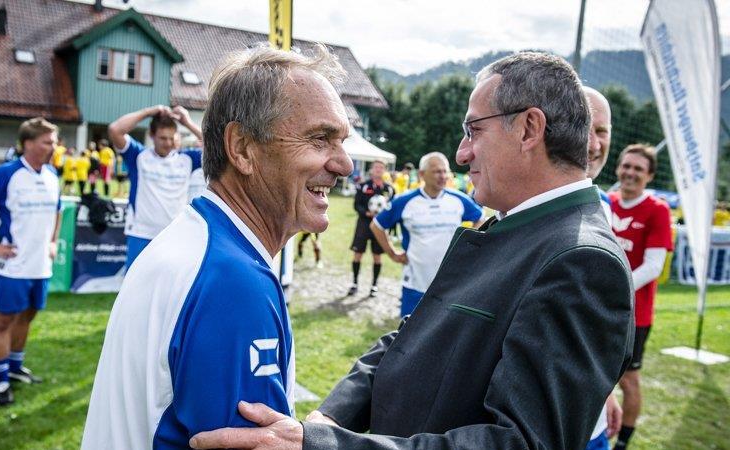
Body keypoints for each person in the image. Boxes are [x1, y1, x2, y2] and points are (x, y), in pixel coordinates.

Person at [189, 51, 634, 450]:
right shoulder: (515, 225)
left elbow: (522, 442)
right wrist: (333, 413)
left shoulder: (581, 260)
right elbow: (415, 337)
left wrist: (326, 445)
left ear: (529, 128)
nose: (461, 154)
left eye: (473, 130)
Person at [82, 43, 352, 449]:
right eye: (320, 139)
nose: (344, 164)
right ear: (242, 148)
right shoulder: (232, 281)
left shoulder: (196, 243)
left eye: (341, 141)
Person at [0, 118, 62, 406]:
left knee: (29, 314)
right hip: (14, 264)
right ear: (29, 143)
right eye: (48, 141)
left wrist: (54, 241)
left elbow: (58, 210)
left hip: (40, 264)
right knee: (4, 320)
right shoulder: (6, 173)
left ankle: (15, 367)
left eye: (54, 141)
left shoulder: (52, 174)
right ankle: (0, 381)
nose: (54, 146)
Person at [609, 144, 673, 450]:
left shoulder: (657, 210)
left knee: (628, 380)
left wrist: (612, 289)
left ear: (649, 175)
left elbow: (654, 267)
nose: (630, 173)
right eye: (626, 166)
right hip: (601, 308)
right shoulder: (606, 203)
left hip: (635, 315)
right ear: (618, 168)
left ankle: (623, 443)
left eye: (638, 168)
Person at [370, 151, 484, 317]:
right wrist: (392, 253)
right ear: (422, 174)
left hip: (451, 283)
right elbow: (377, 225)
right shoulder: (405, 201)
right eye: (437, 171)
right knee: (408, 334)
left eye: (445, 171)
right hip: (416, 283)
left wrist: (470, 245)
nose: (443, 175)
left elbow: (480, 217)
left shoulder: (458, 199)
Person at [106, 104, 203, 268]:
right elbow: (115, 129)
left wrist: (188, 122)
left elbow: (219, 149)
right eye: (163, 138)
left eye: (172, 138)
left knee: (172, 291)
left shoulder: (187, 159)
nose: (168, 143)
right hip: (141, 234)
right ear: (152, 135)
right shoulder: (139, 156)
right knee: (136, 292)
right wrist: (148, 112)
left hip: (175, 236)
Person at [583, 86, 623, 450]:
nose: (595, 144)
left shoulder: (604, 206)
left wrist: (606, 389)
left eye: (603, 131)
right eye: (585, 128)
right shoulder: (517, 210)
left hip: (592, 415)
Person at [348, 160, 394, 297]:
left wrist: (384, 216)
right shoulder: (363, 186)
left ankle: (374, 285)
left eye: (381, 167)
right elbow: (357, 205)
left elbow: (391, 207)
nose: (379, 169)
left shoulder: (389, 189)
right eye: (376, 167)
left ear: (385, 170)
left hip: (379, 227)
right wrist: (367, 213)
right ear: (371, 170)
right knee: (358, 254)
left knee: (377, 256)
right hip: (363, 225)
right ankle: (355, 283)